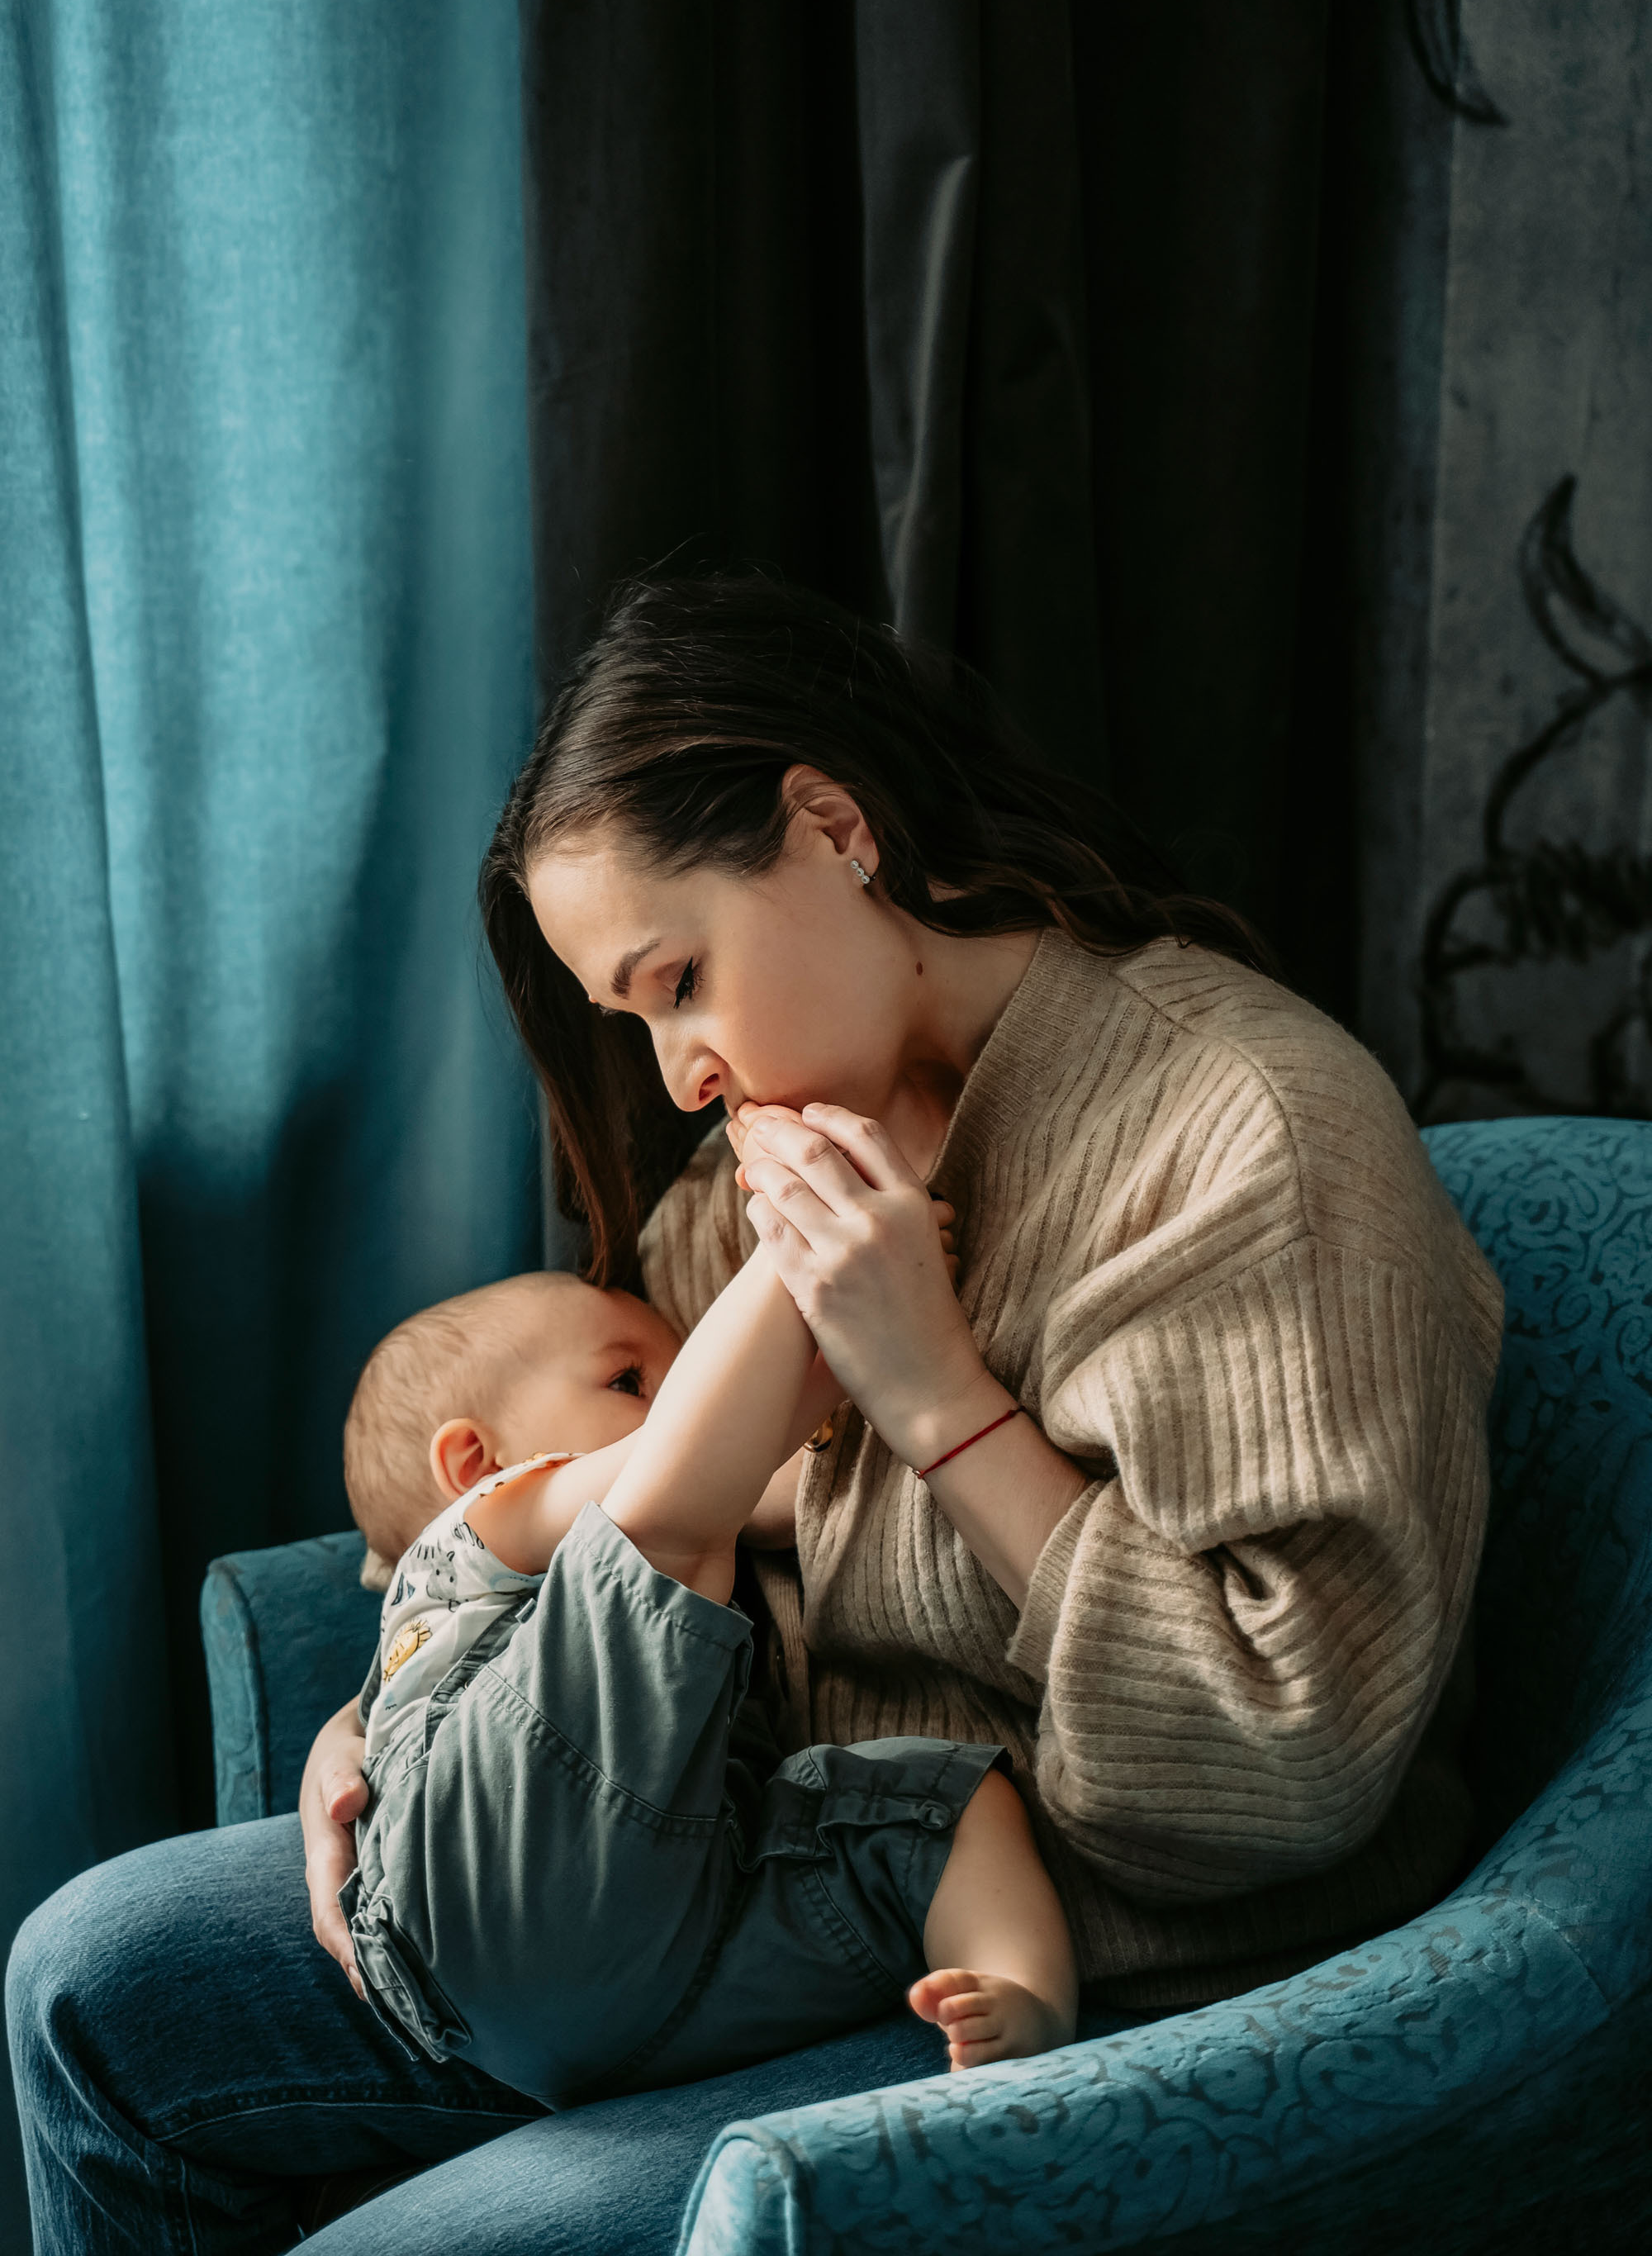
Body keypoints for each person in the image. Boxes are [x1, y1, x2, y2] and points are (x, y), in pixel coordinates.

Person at [6, 575, 1504, 2254]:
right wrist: (406, 1705)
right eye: (634, 1019)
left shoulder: (1244, 1135)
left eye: (680, 981)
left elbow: (1284, 1757)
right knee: (85, 1984)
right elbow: (600, 1494)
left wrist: (935, 1395)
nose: (679, 1079)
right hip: (727, 1868)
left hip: (1071, 1965)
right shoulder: (772, 1152)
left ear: (831, 827)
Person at [340, 1262, 1075, 2092]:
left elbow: (741, 1461)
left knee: (940, 1806)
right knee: (645, 1536)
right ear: (476, 1458)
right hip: (475, 1876)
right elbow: (684, 1462)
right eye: (630, 1379)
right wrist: (810, 1272)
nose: (678, 1393)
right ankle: (800, 1243)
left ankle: (1023, 1997)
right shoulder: (481, 1522)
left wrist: (853, 1360)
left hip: (612, 2004)